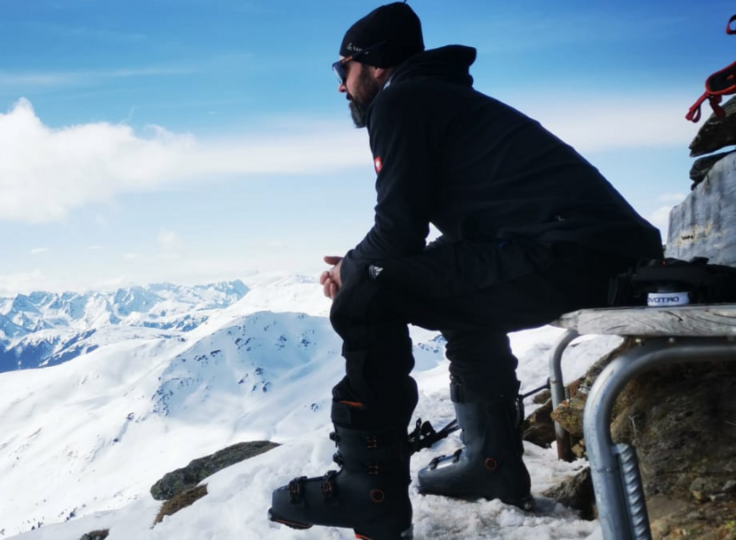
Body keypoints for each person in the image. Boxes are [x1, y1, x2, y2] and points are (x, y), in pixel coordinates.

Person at [267, 3, 663, 540]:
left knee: (368, 298)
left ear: (375, 65)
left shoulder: (401, 101)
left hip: (572, 255)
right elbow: (444, 242)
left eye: (344, 69)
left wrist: (359, 273)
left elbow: (399, 232)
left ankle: (370, 491)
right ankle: (490, 463)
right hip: (595, 253)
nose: (341, 86)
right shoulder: (436, 97)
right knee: (434, 281)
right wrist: (367, 263)